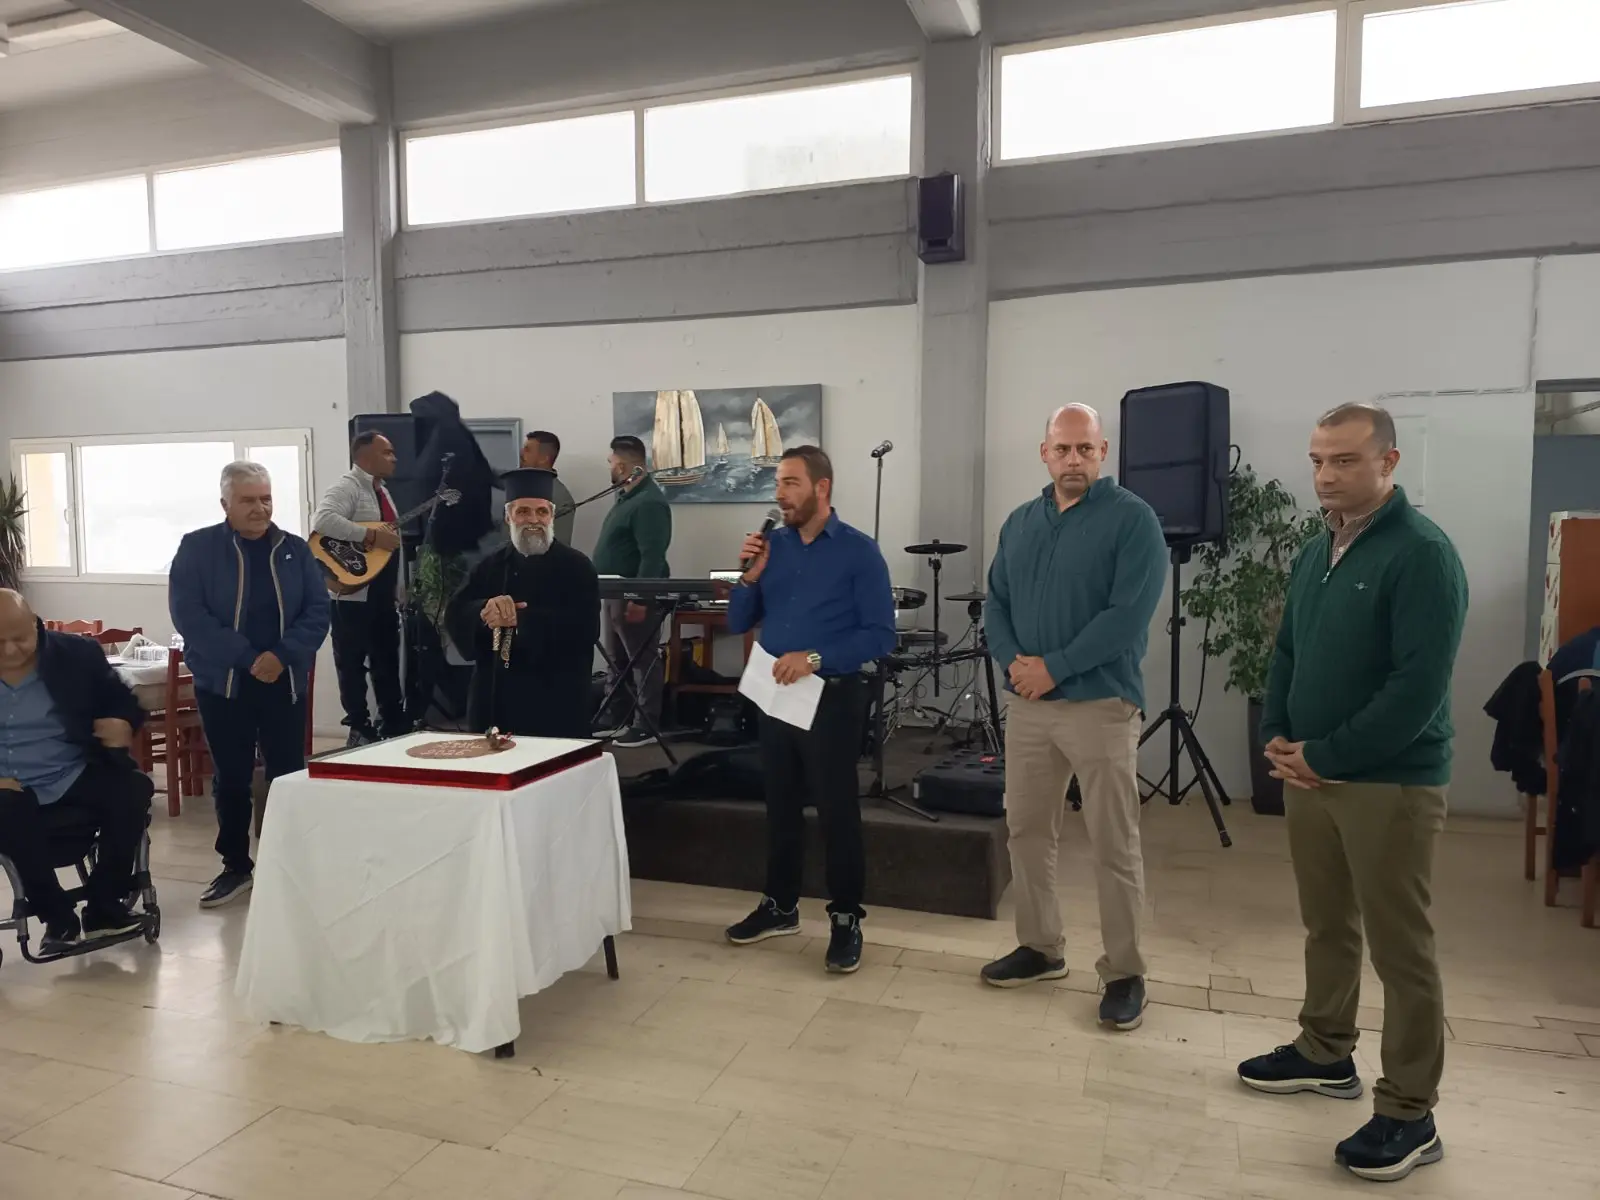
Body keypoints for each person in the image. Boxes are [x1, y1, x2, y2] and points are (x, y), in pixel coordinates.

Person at [1237, 402, 1466, 1184]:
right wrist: (1279, 731)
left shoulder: (1423, 554)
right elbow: (1290, 650)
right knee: (1327, 925)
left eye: (1344, 460)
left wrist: (1327, 754)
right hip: (1309, 773)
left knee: (1402, 950)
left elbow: (1417, 690)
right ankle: (1325, 1052)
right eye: (1317, 461)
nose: (1326, 476)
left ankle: (1410, 1111)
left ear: (1388, 463)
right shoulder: (1318, 549)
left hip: (1388, 784)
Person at [981, 404, 1166, 1031]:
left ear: (1102, 452)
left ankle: (1125, 970)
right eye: (1062, 449)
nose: (1073, 460)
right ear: (1044, 453)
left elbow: (1126, 616)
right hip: (1030, 708)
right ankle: (1040, 947)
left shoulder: (1133, 520)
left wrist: (1054, 668)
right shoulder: (1020, 522)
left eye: (1085, 449)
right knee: (1028, 830)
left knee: (1113, 842)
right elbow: (997, 602)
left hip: (1101, 705)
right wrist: (1015, 664)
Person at [723, 446, 895, 975]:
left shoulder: (859, 552)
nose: (780, 494)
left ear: (822, 488)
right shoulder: (771, 547)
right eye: (778, 483)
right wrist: (748, 578)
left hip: (831, 697)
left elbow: (880, 635)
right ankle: (780, 906)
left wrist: (814, 658)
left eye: (791, 483)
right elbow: (737, 622)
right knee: (779, 804)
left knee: (837, 810)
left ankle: (845, 917)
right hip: (774, 694)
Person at [169, 461, 330, 909]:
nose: (260, 508)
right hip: (224, 684)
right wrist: (248, 658)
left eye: (266, 498)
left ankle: (287, 859)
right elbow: (190, 616)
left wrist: (280, 656)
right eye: (248, 500)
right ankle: (236, 866)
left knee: (287, 775)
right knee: (232, 777)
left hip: (283, 680)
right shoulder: (198, 549)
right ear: (225, 504)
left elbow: (317, 612)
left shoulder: (295, 550)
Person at [0, 591, 152, 954]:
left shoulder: (75, 655)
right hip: (7, 786)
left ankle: (104, 906)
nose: (10, 651)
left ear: (35, 623)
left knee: (132, 789)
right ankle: (57, 917)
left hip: (69, 771)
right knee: (6, 809)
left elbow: (123, 702)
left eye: (19, 639)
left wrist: (121, 721)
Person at [444, 468, 600, 738]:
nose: (534, 520)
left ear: (552, 516)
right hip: (497, 697)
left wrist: (522, 620)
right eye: (523, 512)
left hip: (556, 696)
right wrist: (484, 611)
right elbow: (456, 613)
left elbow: (586, 628)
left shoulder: (577, 566)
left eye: (541, 512)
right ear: (509, 517)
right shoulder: (489, 565)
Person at [313, 431, 407, 746]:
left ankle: (392, 721)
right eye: (387, 452)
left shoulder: (383, 491)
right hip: (353, 595)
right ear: (365, 457)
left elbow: (392, 546)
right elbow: (323, 520)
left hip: (382, 594)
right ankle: (359, 726)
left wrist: (399, 588)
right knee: (352, 663)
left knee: (386, 659)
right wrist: (370, 536)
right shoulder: (348, 486)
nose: (394, 458)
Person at [592, 435, 672, 749]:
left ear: (624, 466)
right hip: (614, 593)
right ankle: (615, 718)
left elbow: (653, 556)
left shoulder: (649, 503)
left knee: (641, 661)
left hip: (633, 596)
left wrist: (641, 597)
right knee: (617, 661)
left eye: (611, 462)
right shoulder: (627, 498)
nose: (609, 467)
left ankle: (645, 725)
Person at [521, 431, 576, 546]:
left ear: (544, 459)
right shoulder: (519, 485)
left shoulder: (560, 499)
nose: (521, 453)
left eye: (527, 450)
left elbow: (559, 547)